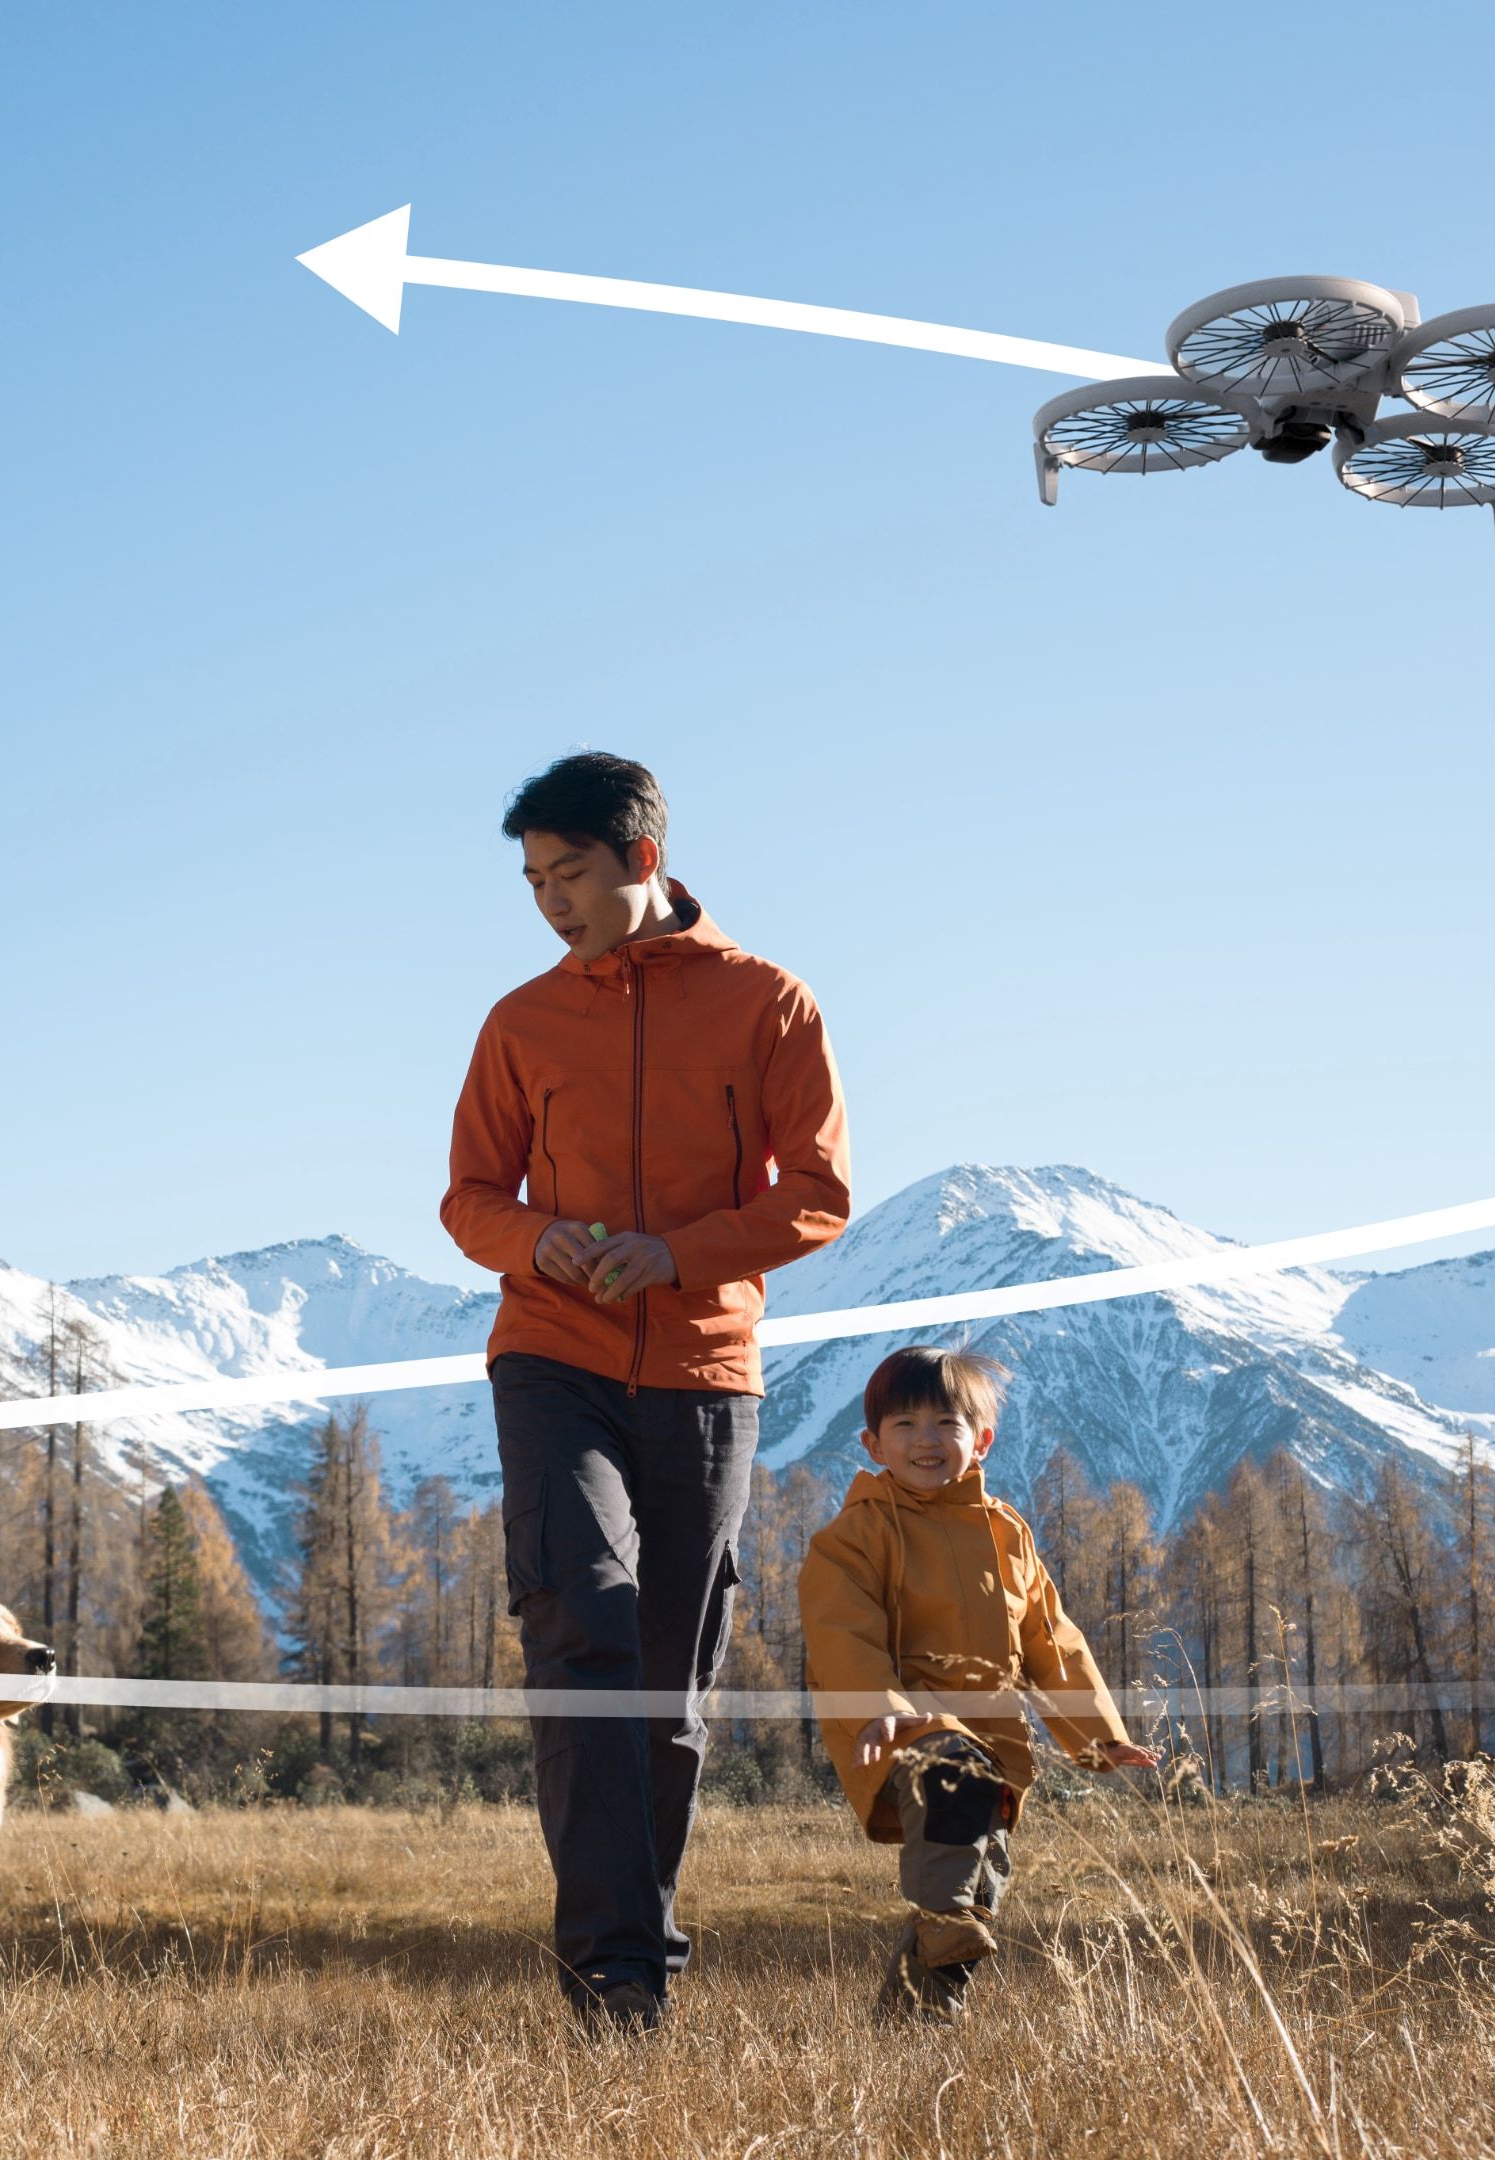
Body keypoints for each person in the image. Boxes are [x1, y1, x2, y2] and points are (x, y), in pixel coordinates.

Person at [441, 750, 853, 2030]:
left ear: (643, 861)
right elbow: (468, 1198)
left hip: (704, 1371)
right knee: (586, 1618)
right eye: (532, 880)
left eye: (569, 874)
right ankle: (616, 1970)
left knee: (670, 1679)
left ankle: (634, 1955)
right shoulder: (520, 1022)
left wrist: (680, 1254)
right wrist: (532, 1240)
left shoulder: (769, 1002)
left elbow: (818, 1196)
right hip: (550, 1356)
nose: (549, 900)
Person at [800, 1345, 1159, 2021]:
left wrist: (1098, 1739)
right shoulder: (855, 1535)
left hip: (996, 1743)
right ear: (873, 1444)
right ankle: (941, 1922)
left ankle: (911, 2029)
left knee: (978, 1894)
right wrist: (880, 1709)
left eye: (946, 1424)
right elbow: (840, 1630)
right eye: (904, 1426)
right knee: (955, 1791)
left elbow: (1052, 1643)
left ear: (982, 1440)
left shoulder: (1007, 1533)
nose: (926, 1441)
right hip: (905, 1730)